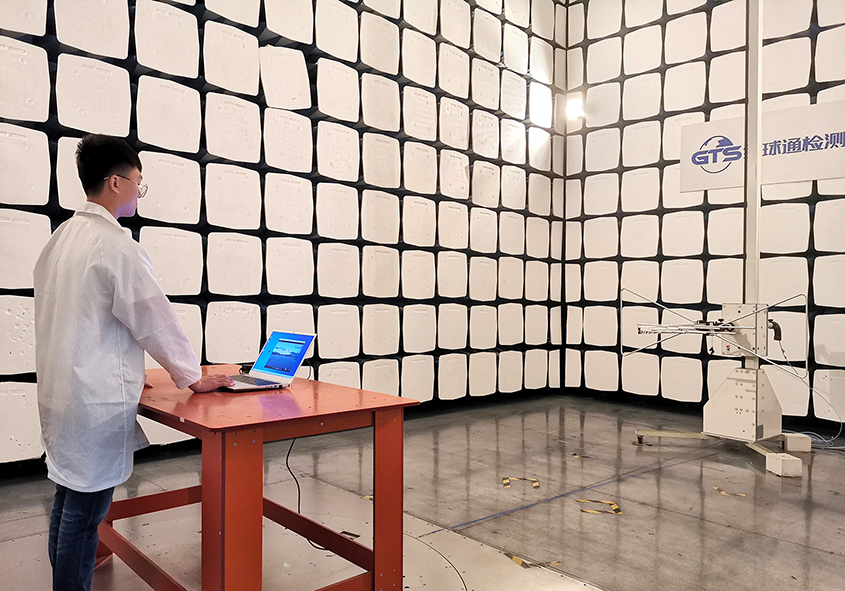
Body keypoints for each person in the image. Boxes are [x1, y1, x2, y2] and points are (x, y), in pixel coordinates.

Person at [33, 134, 234, 591]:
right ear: (115, 182)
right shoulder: (116, 246)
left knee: (68, 501)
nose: (139, 194)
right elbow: (154, 319)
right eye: (138, 183)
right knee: (83, 514)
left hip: (62, 394)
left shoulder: (60, 240)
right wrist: (192, 377)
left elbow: (82, 320)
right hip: (92, 402)